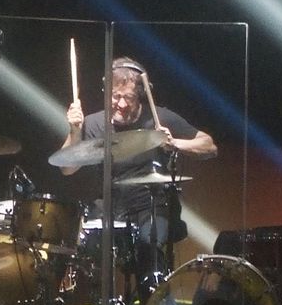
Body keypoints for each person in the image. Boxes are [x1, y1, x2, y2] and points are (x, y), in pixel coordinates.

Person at [63, 57, 217, 287]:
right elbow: (67, 168)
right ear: (107, 93)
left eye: (130, 98)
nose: (122, 104)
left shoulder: (159, 117)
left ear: (141, 96)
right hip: (111, 206)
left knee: (149, 250)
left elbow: (209, 146)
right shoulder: (94, 123)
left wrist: (174, 142)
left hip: (152, 205)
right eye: (116, 96)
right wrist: (74, 131)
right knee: (88, 249)